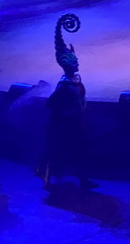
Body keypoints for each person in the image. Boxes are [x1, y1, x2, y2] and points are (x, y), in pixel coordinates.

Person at [39, 14, 97, 189]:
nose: (78, 62)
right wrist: (65, 115)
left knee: (79, 151)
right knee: (58, 150)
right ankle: (49, 179)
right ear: (68, 64)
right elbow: (50, 103)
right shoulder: (64, 85)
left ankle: (83, 179)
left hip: (76, 123)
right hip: (65, 125)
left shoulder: (75, 80)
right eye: (75, 61)